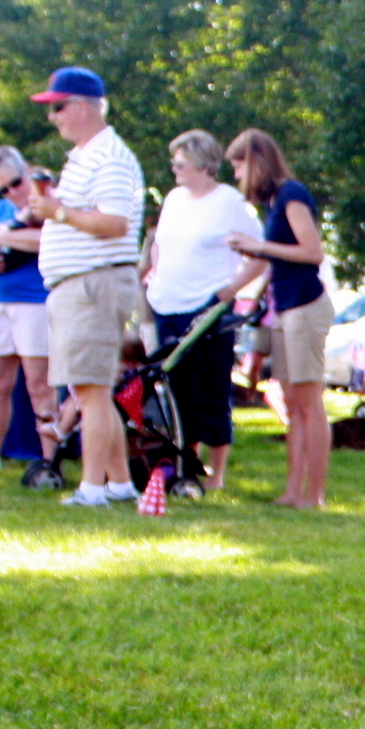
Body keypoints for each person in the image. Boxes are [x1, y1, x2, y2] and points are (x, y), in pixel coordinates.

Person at [25, 67, 147, 508]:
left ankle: (92, 489)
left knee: (91, 391)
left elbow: (115, 223)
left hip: (93, 283)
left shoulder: (108, 157)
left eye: (57, 107)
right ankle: (118, 484)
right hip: (80, 283)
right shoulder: (88, 156)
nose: (53, 117)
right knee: (92, 390)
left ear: (82, 106)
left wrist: (59, 213)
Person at [142, 130, 264, 491]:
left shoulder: (230, 202)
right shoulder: (174, 198)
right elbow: (160, 244)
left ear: (203, 165)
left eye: (180, 162)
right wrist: (156, 272)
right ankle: (185, 465)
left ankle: (218, 474)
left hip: (207, 309)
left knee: (210, 388)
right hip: (166, 304)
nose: (174, 168)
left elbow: (259, 253)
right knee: (176, 388)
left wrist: (229, 291)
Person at [222, 129, 332, 508]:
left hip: (305, 306)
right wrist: (234, 288)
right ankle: (291, 491)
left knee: (308, 401)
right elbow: (272, 259)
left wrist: (260, 245)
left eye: (238, 167)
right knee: (290, 399)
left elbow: (312, 251)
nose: (237, 177)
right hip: (283, 309)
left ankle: (314, 495)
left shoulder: (292, 195)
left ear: (255, 162)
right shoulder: (274, 203)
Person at [0, 148, 65, 488]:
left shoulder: (52, 201)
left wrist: (1, 237)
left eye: (15, 182)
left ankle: (50, 457)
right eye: (3, 189)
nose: (12, 192)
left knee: (40, 385)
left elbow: (48, 240)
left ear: (28, 173)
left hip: (35, 300)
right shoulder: (1, 209)